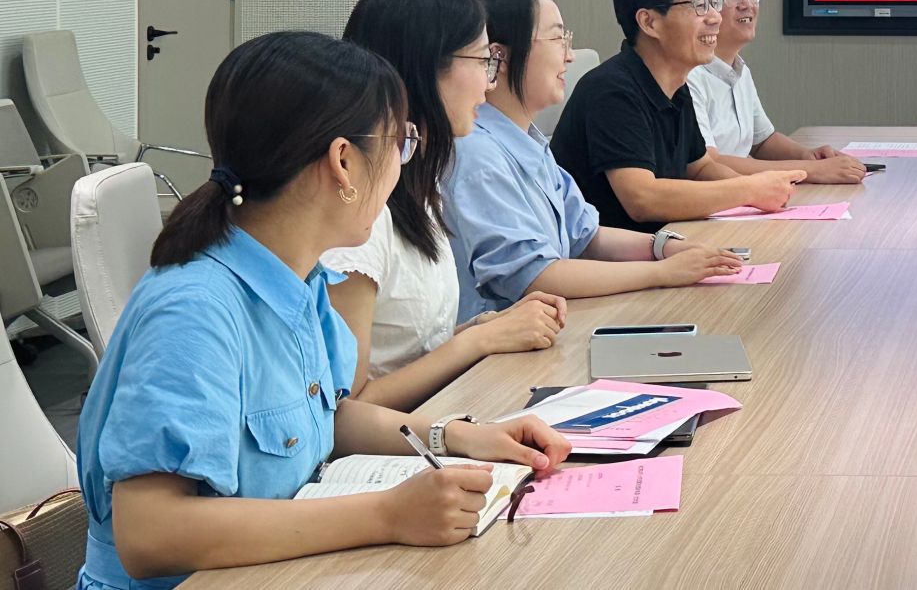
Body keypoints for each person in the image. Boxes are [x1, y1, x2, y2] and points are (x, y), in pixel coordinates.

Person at [73, 32, 569, 590]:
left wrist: (459, 436)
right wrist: (386, 514)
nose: (402, 164)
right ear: (343, 162)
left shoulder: (299, 279)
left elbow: (324, 417)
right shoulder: (194, 311)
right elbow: (150, 534)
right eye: (399, 143)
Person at [324, 0, 569, 412]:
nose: (489, 83)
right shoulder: (361, 214)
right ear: (426, 69)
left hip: (437, 417)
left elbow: (404, 353)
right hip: (396, 443)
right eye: (482, 61)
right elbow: (347, 407)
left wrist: (483, 330)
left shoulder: (418, 182)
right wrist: (477, 341)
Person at [445, 0, 744, 320]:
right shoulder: (477, 153)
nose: (569, 56)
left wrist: (665, 247)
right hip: (508, 343)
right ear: (499, 56)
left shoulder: (528, 142)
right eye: (557, 39)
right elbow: (534, 276)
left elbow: (586, 237)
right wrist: (661, 272)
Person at [555, 0, 805, 230]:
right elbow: (643, 198)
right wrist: (748, 190)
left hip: (668, 241)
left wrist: (761, 194)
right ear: (649, 22)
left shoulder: (676, 85)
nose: (715, 17)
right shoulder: (612, 90)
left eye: (713, 3)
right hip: (613, 253)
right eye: (699, 5)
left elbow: (700, 168)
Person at [687, 0, 867, 183]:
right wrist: (811, 171)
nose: (746, 4)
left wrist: (808, 156)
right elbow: (708, 165)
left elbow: (762, 141)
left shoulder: (739, 70)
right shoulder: (689, 76)